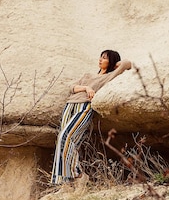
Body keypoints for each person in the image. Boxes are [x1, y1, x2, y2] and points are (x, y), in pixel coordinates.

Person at [50, 50, 132, 184]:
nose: (100, 60)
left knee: (65, 137)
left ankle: (78, 174)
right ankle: (64, 182)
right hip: (69, 106)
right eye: (100, 57)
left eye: (105, 58)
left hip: (85, 107)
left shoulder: (109, 76)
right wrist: (86, 88)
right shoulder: (88, 75)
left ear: (111, 61)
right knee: (62, 142)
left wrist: (116, 63)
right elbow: (71, 88)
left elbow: (127, 64)